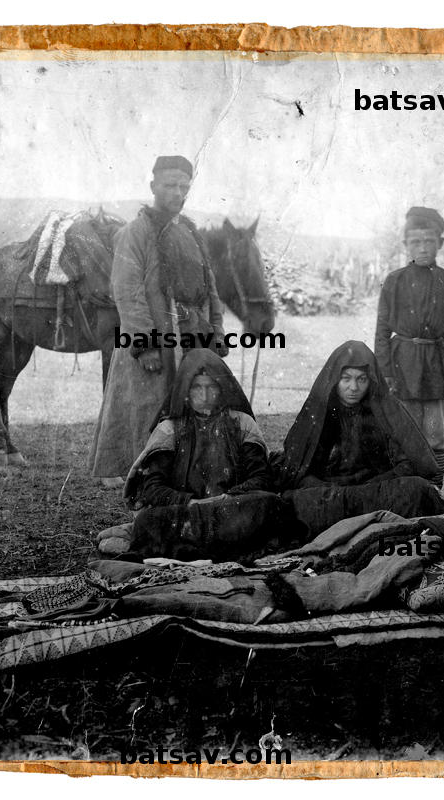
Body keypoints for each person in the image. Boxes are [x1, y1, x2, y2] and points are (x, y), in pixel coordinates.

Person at [89, 155, 229, 483]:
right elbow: (127, 290)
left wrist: (217, 331)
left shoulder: (192, 234)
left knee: (193, 403)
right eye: (169, 185)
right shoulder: (134, 233)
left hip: (193, 333)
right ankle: (139, 476)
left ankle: (184, 471)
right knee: (147, 409)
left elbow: (210, 288)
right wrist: (145, 344)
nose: (177, 192)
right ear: (153, 186)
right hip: (154, 340)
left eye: (184, 186)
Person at [96, 349, 299, 561]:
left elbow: (260, 478)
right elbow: (154, 489)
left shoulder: (243, 424)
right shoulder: (169, 429)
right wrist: (191, 503)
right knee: (150, 520)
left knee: (269, 504)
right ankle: (226, 545)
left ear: (222, 389)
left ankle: (181, 547)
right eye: (196, 388)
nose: (204, 396)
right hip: (188, 512)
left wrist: (226, 499)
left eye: (211, 387)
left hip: (229, 508)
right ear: (185, 390)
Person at [277, 341, 444, 534]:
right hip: (331, 493)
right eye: (346, 379)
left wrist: (375, 483)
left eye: (362, 379)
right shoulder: (318, 413)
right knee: (292, 501)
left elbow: (407, 463)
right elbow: (298, 472)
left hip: (374, 490)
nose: (354, 387)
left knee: (417, 489)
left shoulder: (383, 410)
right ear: (334, 380)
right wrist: (331, 489)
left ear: (371, 380)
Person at [375, 206, 444, 486]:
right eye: (415, 241)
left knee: (435, 435)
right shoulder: (394, 282)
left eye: (429, 241)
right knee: (403, 432)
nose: (423, 247)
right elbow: (381, 332)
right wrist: (385, 373)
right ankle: (405, 489)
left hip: (438, 367)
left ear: (440, 243)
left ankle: (433, 488)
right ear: (406, 245)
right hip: (401, 364)